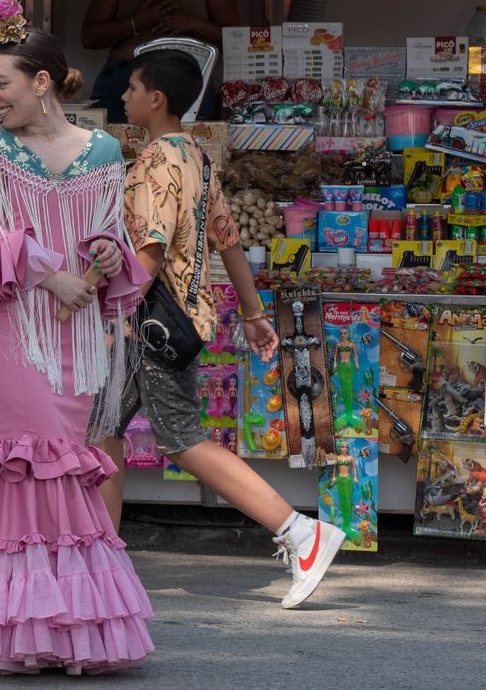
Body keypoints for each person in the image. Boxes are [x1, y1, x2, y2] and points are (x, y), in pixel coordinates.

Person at [0, 0, 154, 675]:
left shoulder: (105, 149)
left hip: (75, 331)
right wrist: (56, 278)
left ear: (43, 82)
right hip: (8, 323)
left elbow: (109, 230)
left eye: (2, 85)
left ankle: (54, 625)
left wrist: (106, 258)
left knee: (61, 467)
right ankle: (26, 628)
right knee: (27, 463)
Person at [100, 49, 345, 610]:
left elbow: (151, 253)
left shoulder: (155, 162)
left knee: (182, 438)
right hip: (180, 318)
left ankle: (299, 532)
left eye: (132, 88)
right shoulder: (196, 157)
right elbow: (228, 238)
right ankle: (103, 555)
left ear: (155, 98)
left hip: (152, 325)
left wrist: (112, 314)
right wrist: (256, 314)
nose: (123, 96)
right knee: (103, 425)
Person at [80, 0, 240, 122]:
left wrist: (193, 24)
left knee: (182, 144)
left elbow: (236, 40)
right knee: (110, 142)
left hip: (185, 77)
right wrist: (136, 22)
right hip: (124, 75)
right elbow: (89, 37)